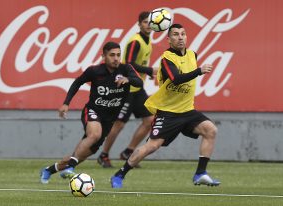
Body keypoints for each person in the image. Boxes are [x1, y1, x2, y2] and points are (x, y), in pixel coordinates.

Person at [110, 24, 220, 188]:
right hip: (168, 113)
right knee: (152, 146)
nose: (180, 37)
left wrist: (197, 70)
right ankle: (120, 174)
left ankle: (200, 174)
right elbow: (176, 78)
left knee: (210, 130)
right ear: (168, 39)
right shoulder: (167, 58)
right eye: (175, 34)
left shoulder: (192, 55)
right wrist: (199, 71)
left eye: (183, 34)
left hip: (187, 110)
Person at [40, 41, 143, 184]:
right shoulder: (94, 71)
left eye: (118, 55)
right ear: (103, 56)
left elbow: (139, 82)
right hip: (93, 111)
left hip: (109, 120)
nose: (116, 58)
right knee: (95, 134)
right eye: (112, 55)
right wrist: (66, 103)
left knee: (82, 154)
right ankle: (70, 167)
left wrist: (128, 79)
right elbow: (77, 82)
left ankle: (49, 170)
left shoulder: (126, 69)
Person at [97, 11, 156, 168]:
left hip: (137, 88)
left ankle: (128, 152)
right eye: (145, 22)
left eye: (150, 22)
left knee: (150, 120)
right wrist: (150, 70)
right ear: (139, 24)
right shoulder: (135, 41)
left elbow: (138, 64)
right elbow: (129, 63)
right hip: (127, 89)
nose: (148, 25)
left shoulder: (147, 40)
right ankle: (103, 155)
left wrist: (146, 73)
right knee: (119, 124)